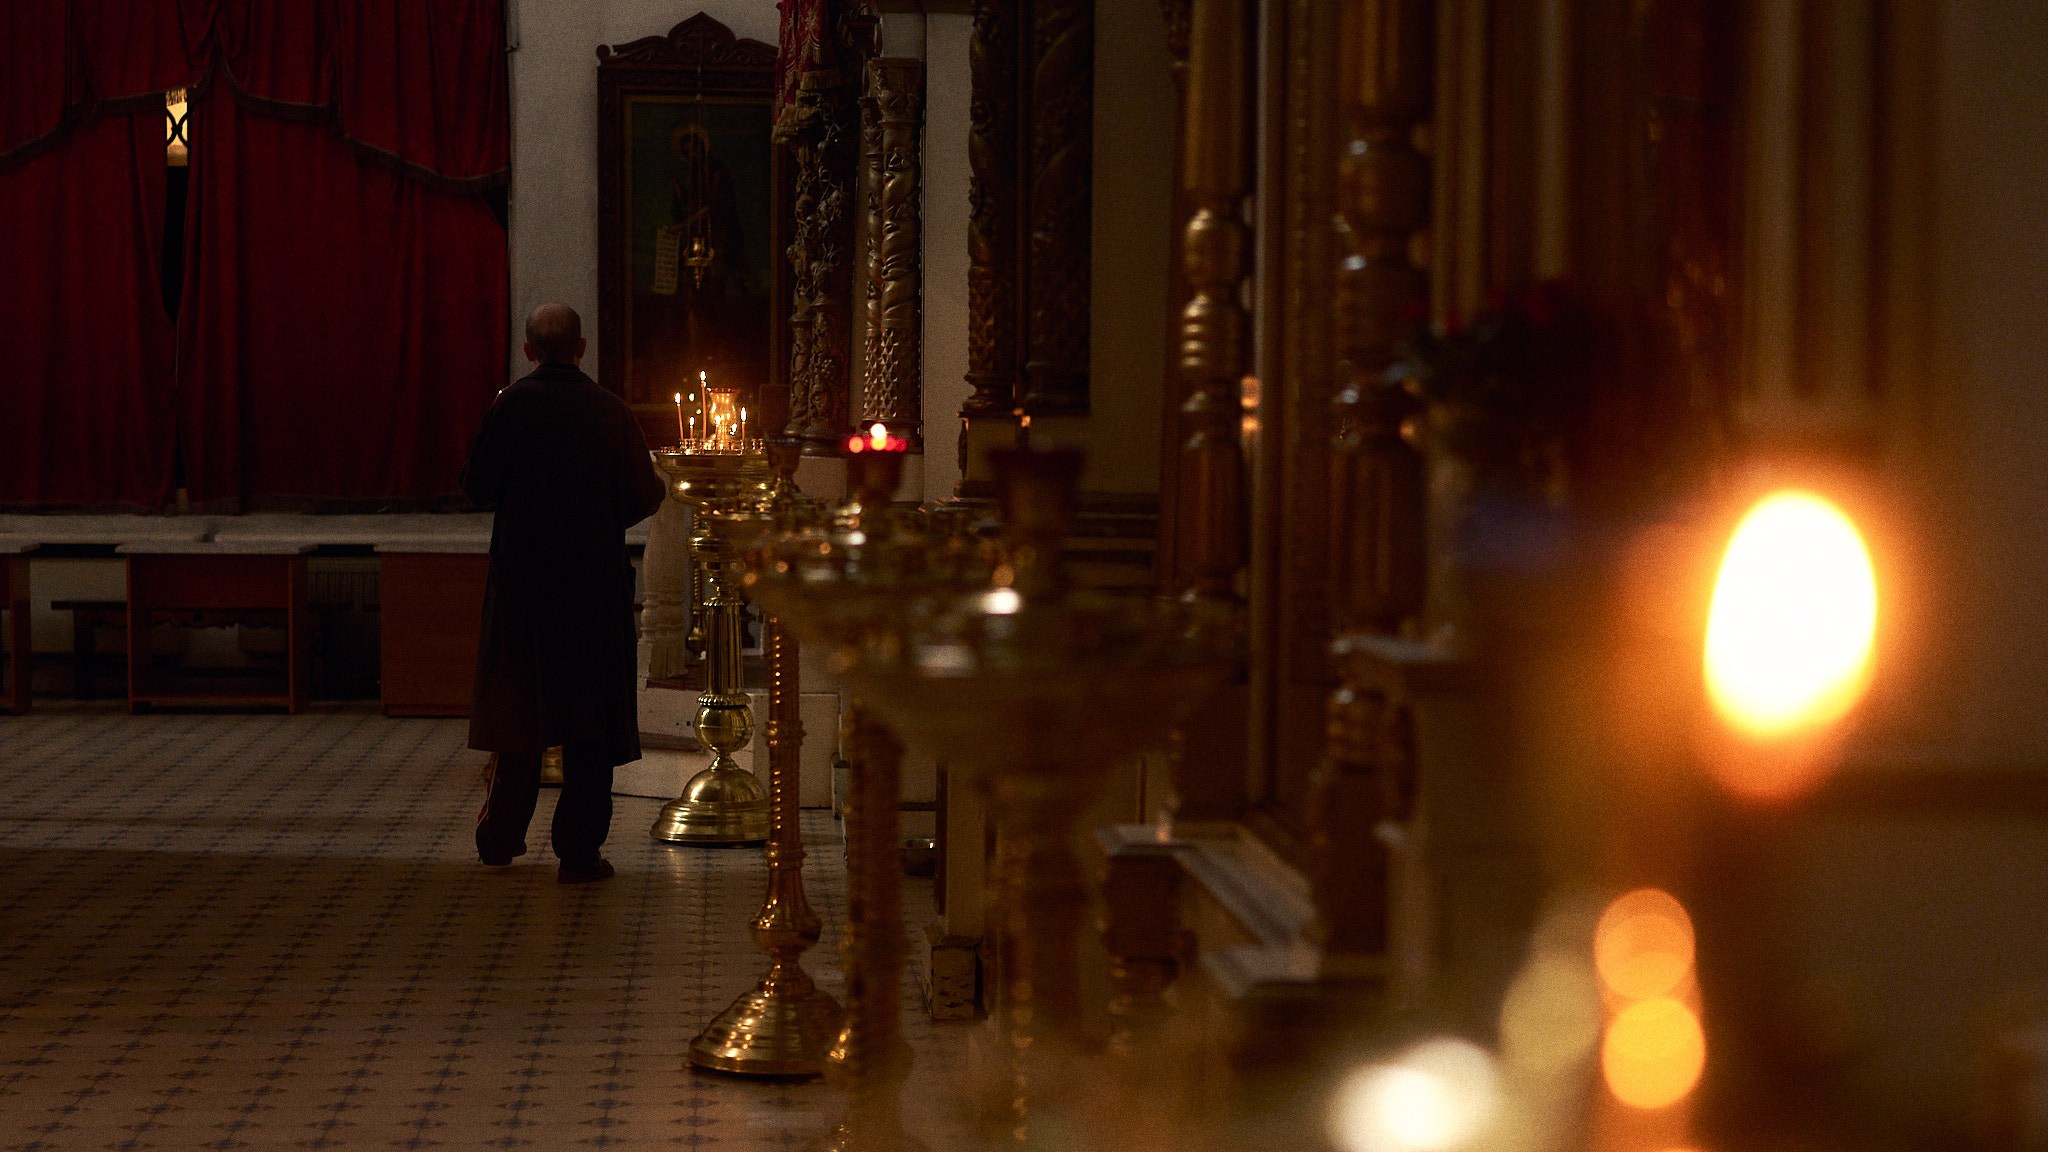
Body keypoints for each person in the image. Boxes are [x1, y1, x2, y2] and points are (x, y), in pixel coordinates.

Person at [462, 303, 666, 883]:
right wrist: (600, 519)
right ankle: (578, 853)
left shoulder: (510, 406)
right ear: (581, 348)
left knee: (519, 713)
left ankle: (500, 838)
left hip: (523, 588)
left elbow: (475, 486)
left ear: (529, 351)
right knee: (589, 721)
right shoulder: (610, 410)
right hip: (592, 588)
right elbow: (646, 494)